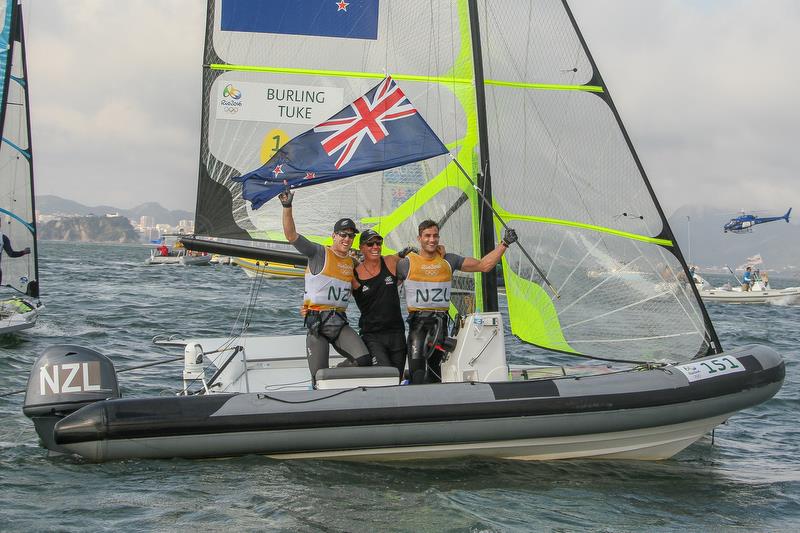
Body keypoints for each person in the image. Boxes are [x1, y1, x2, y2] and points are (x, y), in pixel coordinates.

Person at [396, 219, 517, 384]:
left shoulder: (449, 260)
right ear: (419, 238)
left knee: (435, 376)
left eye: (435, 236)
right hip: (418, 327)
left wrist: (505, 243)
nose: (432, 240)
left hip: (440, 326)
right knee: (417, 375)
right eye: (427, 236)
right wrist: (400, 253)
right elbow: (383, 278)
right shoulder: (406, 263)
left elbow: (483, 265)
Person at [279, 189, 371, 385]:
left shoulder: (352, 262)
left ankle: (335, 375)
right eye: (343, 235)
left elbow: (371, 273)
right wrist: (287, 207)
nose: (347, 239)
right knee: (318, 378)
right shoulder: (319, 253)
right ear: (334, 236)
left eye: (350, 236)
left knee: (363, 360)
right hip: (317, 325)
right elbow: (291, 235)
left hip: (339, 322)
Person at [351, 229, 410, 380]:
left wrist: (439, 252)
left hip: (397, 333)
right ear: (361, 248)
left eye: (378, 243)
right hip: (372, 336)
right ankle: (349, 364)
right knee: (384, 377)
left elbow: (414, 259)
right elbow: (330, 285)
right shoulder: (354, 275)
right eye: (370, 244)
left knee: (397, 378)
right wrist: (309, 306)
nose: (375, 247)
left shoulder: (390, 261)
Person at [0, 220, 32, 286]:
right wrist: (23, 252)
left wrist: (23, 252)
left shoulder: (3, 238)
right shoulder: (3, 238)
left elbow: (11, 254)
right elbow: (11, 254)